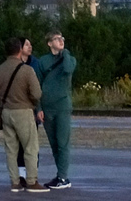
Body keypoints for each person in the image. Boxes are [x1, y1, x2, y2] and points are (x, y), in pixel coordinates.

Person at [0, 36, 45, 190]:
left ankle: (15, 182)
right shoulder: (27, 70)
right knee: (30, 148)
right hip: (23, 111)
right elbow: (36, 93)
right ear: (20, 50)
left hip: (6, 112)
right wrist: (34, 104)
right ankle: (31, 181)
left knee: (11, 149)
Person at [29, 32, 76, 189]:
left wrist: (65, 53)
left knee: (63, 142)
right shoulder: (43, 61)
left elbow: (69, 69)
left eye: (62, 38)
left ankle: (63, 177)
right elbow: (37, 85)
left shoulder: (68, 59)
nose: (61, 41)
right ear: (49, 43)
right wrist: (39, 108)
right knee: (54, 144)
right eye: (57, 39)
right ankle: (59, 175)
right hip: (47, 109)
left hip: (62, 107)